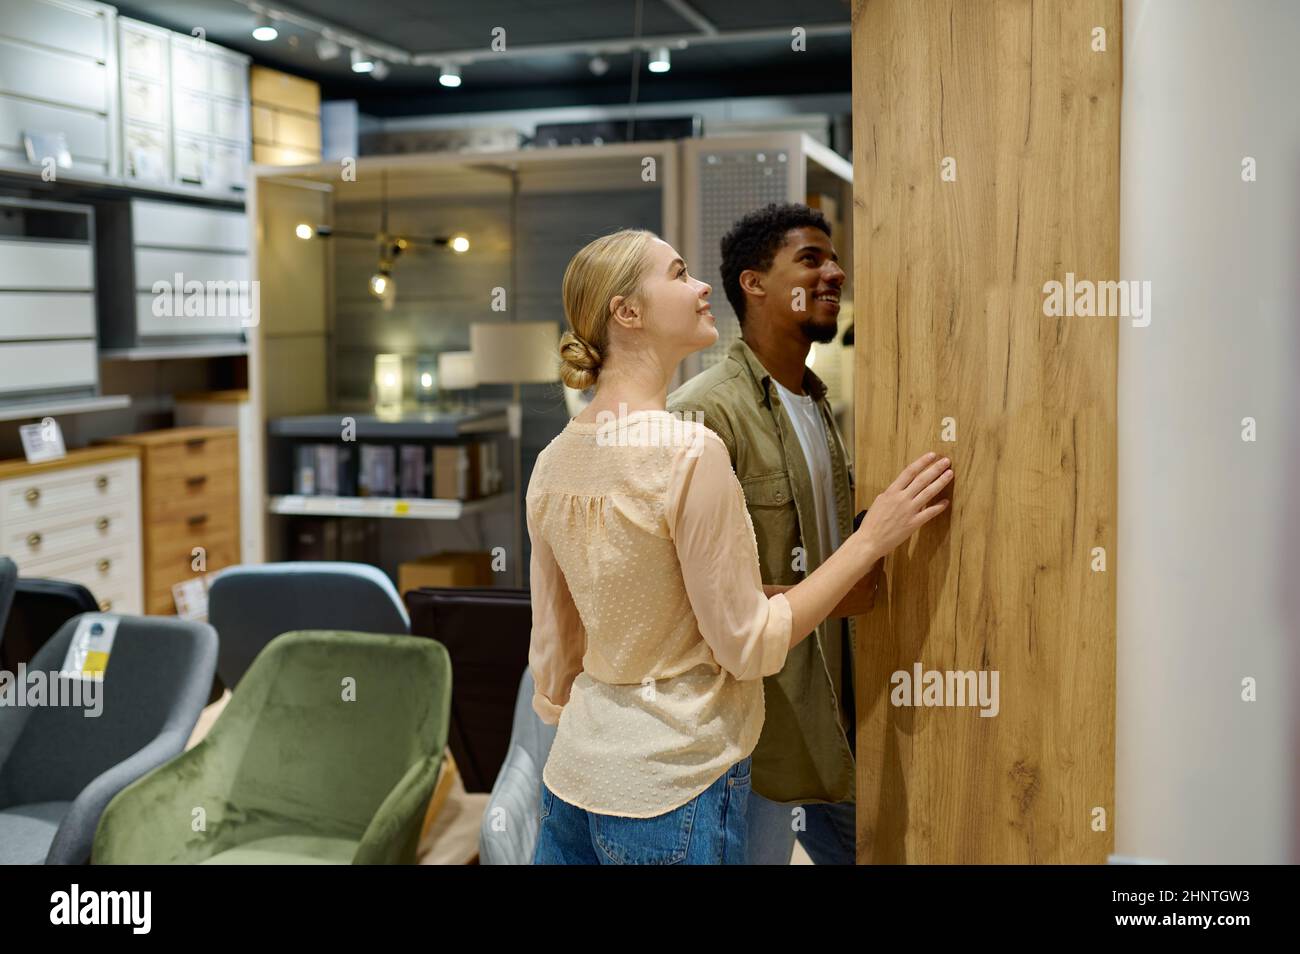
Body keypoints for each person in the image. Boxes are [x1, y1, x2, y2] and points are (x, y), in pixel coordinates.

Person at [529, 227, 952, 865]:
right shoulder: (689, 451)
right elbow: (748, 644)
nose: (702, 287)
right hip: (674, 785)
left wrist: (595, 726)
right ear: (628, 312)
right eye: (677, 274)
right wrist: (870, 542)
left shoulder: (553, 461)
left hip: (573, 782)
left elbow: (556, 652)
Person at [668, 202, 869, 864]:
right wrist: (861, 585)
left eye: (834, 258)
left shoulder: (814, 402)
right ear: (755, 283)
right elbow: (695, 603)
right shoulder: (702, 413)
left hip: (833, 716)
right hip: (752, 735)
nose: (834, 272)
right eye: (811, 260)